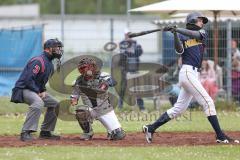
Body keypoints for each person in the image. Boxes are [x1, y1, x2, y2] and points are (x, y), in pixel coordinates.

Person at [142, 12, 238, 144]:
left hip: (193, 74)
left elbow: (195, 35)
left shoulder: (202, 33)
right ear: (192, 20)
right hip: (187, 72)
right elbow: (179, 51)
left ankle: (151, 128)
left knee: (179, 109)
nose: (202, 22)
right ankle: (220, 135)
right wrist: (175, 34)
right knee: (208, 102)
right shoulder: (181, 35)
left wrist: (177, 28)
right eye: (200, 20)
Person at [11, 38, 63, 141]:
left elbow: (41, 81)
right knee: (38, 102)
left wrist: (42, 90)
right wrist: (38, 91)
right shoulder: (38, 61)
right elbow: (28, 80)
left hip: (33, 89)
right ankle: (25, 132)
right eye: (56, 48)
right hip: (22, 89)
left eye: (59, 48)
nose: (58, 50)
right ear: (48, 49)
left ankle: (45, 132)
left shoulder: (49, 63)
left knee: (56, 104)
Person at [70, 57, 125, 140]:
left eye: (85, 67)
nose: (83, 70)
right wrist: (74, 100)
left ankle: (111, 132)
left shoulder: (102, 75)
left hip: (105, 110)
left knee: (119, 135)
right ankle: (88, 132)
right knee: (81, 110)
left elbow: (113, 81)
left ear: (92, 67)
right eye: (81, 68)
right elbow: (74, 96)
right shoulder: (78, 81)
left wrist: (106, 83)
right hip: (91, 110)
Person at [118, 29, 145, 111]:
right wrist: (132, 51)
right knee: (123, 87)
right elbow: (124, 54)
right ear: (125, 35)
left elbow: (139, 52)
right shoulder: (122, 44)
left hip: (134, 69)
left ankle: (141, 107)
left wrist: (133, 50)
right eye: (127, 34)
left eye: (130, 34)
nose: (129, 36)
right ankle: (120, 105)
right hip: (125, 69)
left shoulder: (136, 43)